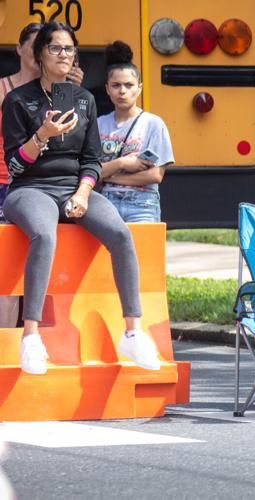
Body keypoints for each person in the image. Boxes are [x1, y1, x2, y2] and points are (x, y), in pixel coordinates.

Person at [2, 22, 160, 375]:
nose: (63, 56)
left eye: (69, 49)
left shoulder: (85, 100)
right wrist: (41, 135)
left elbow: (91, 161)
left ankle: (133, 332)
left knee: (120, 234)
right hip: (30, 188)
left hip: (74, 186)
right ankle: (31, 338)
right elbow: (13, 166)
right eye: (55, 49)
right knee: (44, 234)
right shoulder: (18, 100)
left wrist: (83, 192)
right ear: (40, 54)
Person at [97, 41, 174, 223]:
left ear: (139, 88)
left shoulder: (153, 124)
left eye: (129, 85)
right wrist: (123, 162)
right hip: (105, 203)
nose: (122, 91)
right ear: (107, 89)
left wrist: (111, 176)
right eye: (116, 85)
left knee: (143, 252)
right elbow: (92, 172)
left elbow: (155, 176)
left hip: (143, 204)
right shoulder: (99, 124)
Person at [0, 23, 44, 224]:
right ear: (19, 49)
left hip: (41, 184)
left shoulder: (60, 91)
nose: (40, 51)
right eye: (36, 44)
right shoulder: (1, 88)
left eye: (45, 45)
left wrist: (73, 91)